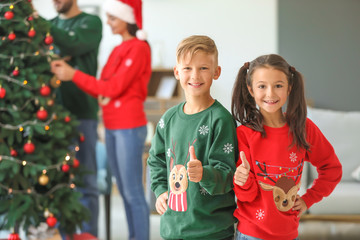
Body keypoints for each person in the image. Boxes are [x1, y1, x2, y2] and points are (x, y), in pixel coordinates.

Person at [50, 0, 151, 239]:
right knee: (125, 191)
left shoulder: (138, 48)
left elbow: (112, 87)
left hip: (128, 126)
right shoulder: (118, 49)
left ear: (126, 19)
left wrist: (74, 75)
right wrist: (101, 90)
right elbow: (103, 88)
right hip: (114, 125)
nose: (108, 22)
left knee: (132, 192)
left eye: (113, 18)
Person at [231, 54, 342, 240]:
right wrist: (242, 180)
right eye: (262, 86)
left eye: (278, 86)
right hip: (251, 233)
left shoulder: (303, 128)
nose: (270, 94)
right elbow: (247, 197)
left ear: (289, 88)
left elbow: (332, 169)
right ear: (250, 89)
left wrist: (309, 199)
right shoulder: (244, 134)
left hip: (289, 234)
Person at [147, 35, 237, 239]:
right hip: (173, 229)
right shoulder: (168, 119)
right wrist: (161, 190)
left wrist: (203, 174)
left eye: (203, 68)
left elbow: (228, 174)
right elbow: (156, 160)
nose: (195, 75)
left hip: (212, 231)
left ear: (216, 72)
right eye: (187, 68)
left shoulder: (221, 120)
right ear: (177, 72)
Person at [49, 0, 102, 236]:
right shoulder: (50, 25)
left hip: (83, 115)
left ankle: (89, 235)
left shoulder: (91, 22)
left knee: (86, 183)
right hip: (51, 118)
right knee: (55, 182)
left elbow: (71, 42)